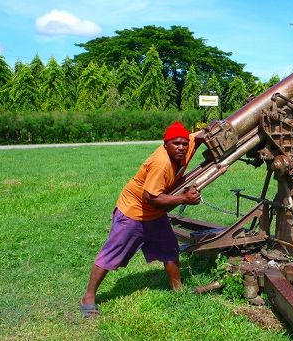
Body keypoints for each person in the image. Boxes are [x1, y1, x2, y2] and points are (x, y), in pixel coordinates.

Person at [79, 121, 202, 317]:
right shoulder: (161, 163)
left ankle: (178, 290)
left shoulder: (189, 145)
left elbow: (203, 134)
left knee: (170, 249)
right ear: (165, 144)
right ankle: (88, 297)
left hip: (155, 214)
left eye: (184, 144)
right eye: (175, 144)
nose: (181, 148)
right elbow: (151, 198)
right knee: (112, 253)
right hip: (133, 212)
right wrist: (183, 198)